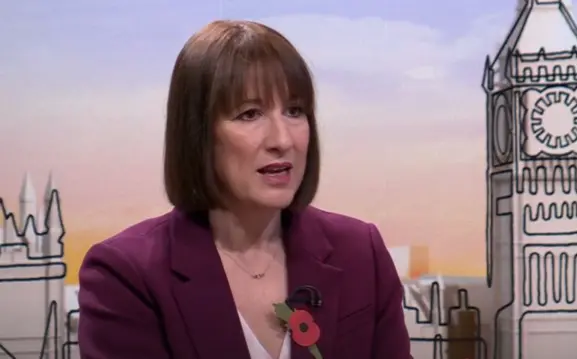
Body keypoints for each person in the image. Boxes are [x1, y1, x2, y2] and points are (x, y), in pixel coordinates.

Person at [77, 20, 411, 359]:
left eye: (295, 111)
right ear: (198, 134)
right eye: (250, 114)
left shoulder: (359, 252)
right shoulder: (127, 276)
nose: (283, 140)